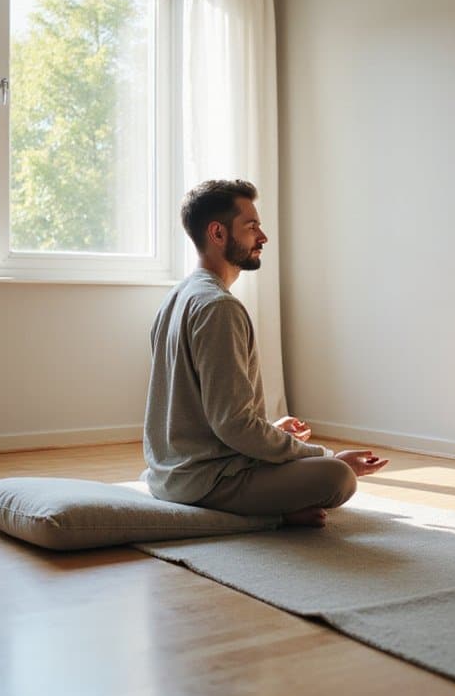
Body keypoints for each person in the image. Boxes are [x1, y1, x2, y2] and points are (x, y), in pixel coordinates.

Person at [141, 179, 388, 528]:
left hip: (169, 476)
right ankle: (264, 517)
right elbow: (235, 427)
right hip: (205, 483)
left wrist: (274, 433)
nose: (263, 237)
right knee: (337, 477)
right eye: (251, 226)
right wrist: (326, 455)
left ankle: (270, 503)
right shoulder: (218, 307)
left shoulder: (176, 298)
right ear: (217, 233)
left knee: (312, 464)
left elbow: (203, 414)